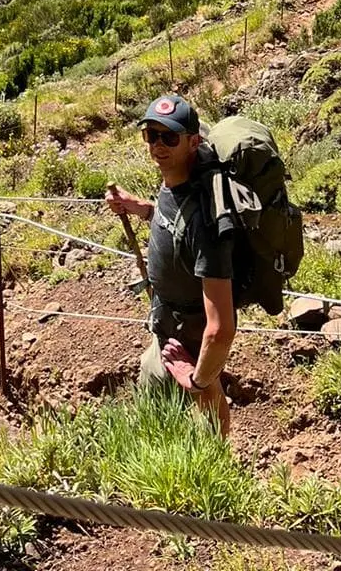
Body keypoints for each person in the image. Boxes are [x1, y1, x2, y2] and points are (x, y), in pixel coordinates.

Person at [105, 93, 236, 434]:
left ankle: (211, 466)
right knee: (151, 396)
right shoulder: (174, 183)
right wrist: (139, 208)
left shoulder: (208, 223)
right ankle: (159, 450)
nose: (158, 145)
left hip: (191, 336)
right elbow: (173, 221)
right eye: (152, 135)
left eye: (170, 137)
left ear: (194, 142)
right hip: (165, 326)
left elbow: (220, 330)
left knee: (206, 407)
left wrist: (195, 379)